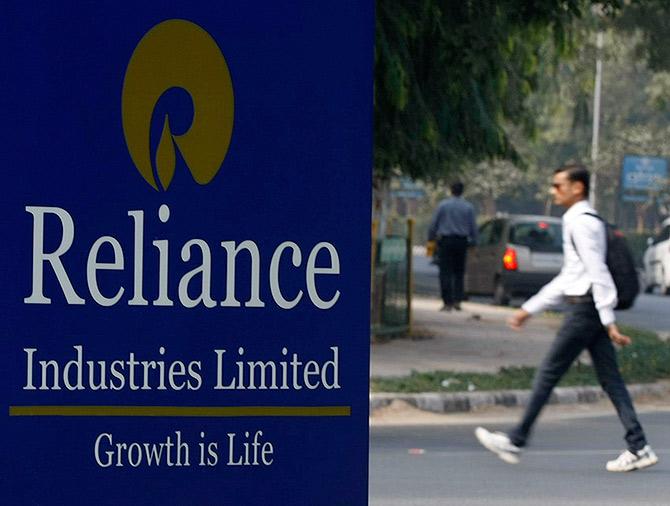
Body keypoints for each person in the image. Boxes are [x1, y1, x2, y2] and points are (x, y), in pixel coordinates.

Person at [474, 164, 658, 472]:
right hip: (588, 307)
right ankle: (638, 446)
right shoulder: (578, 220)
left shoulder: (581, 223)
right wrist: (529, 308)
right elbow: (571, 274)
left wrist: (608, 319)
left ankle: (516, 440)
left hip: (585, 310)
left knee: (548, 373)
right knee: (611, 380)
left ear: (578, 188)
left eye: (559, 186)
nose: (553, 191)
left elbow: (597, 272)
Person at [428, 181, 478, 311]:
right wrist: (474, 242)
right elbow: (473, 227)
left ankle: (447, 302)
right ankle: (457, 301)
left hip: (445, 241)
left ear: (451, 190)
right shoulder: (468, 207)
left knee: (445, 272)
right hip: (461, 242)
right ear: (462, 191)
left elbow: (434, 224)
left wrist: (430, 239)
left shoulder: (443, 205)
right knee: (459, 272)